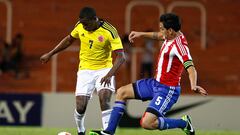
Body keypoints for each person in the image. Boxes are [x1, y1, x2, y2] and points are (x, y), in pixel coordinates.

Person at [89, 13, 207, 135]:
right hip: (155, 83)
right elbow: (160, 35)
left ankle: (184, 124)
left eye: (162, 28)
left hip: (167, 90)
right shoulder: (171, 35)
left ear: (171, 30)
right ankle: (109, 132)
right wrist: (141, 34)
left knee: (147, 123)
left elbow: (191, 68)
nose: (160, 31)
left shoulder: (180, 47)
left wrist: (194, 85)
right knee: (121, 92)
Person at [40, 7, 126, 135]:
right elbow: (69, 39)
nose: (84, 26)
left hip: (104, 69)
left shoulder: (110, 31)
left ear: (94, 19)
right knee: (80, 107)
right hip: (85, 70)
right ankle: (81, 131)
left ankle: (108, 133)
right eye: (82, 23)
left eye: (86, 24)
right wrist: (50, 53)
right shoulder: (80, 25)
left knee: (104, 98)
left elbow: (121, 56)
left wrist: (110, 74)